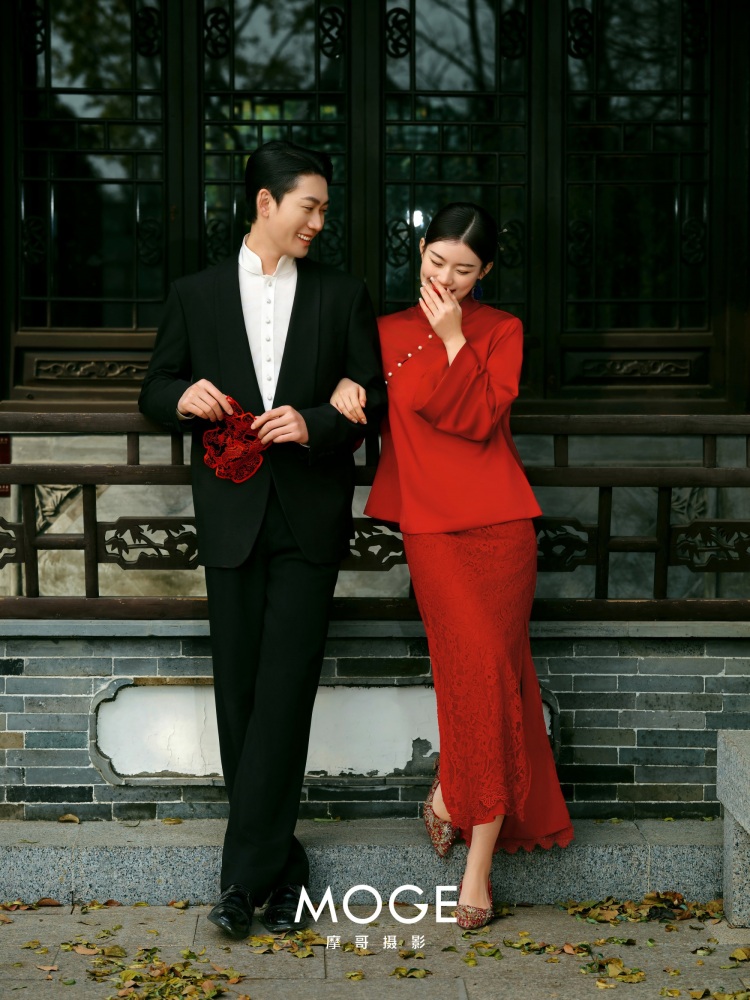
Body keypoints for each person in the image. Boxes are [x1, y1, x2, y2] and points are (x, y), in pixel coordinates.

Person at [139, 140, 385, 939]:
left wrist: (314, 421)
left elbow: (371, 399)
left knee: (286, 690)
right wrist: (183, 396)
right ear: (265, 204)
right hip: (231, 516)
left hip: (309, 516)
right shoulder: (196, 294)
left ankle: (240, 885)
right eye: (309, 206)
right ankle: (284, 870)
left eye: (324, 209)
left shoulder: (343, 294)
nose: (319, 221)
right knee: (240, 695)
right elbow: (154, 387)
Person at [331, 202, 573, 931]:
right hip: (433, 532)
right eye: (437, 262)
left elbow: (479, 418)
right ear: (420, 252)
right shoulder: (381, 332)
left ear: (485, 270)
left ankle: (476, 862)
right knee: (472, 681)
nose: (447, 278)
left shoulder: (501, 330)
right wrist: (344, 390)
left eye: (464, 270)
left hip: (500, 530)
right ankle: (448, 800)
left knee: (492, 680)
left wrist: (454, 338)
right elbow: (364, 410)